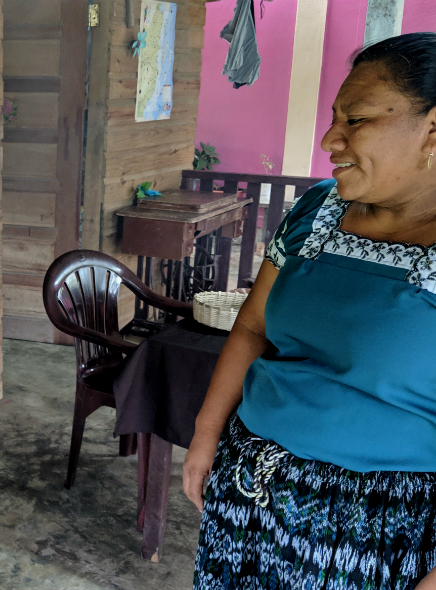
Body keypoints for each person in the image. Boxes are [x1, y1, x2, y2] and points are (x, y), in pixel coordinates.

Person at [183, 33, 436, 589]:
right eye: (333, 118)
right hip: (249, 488)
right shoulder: (317, 210)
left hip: (374, 528)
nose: (330, 139)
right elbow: (252, 325)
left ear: (433, 129)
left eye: (357, 120)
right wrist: (206, 436)